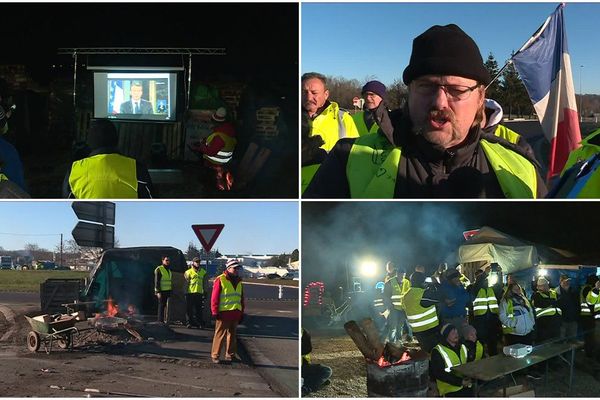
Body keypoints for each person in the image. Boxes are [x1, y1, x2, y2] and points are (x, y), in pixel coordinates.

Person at [304, 24, 547, 199]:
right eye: (427, 86)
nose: (440, 102)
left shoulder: (520, 166)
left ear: (480, 98)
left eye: (457, 90)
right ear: (409, 93)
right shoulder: (348, 160)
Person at [63, 119, 153, 198]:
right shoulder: (136, 168)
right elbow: (151, 203)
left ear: (89, 141)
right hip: (129, 217)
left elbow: (67, 205)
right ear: (116, 139)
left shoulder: (74, 169)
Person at [301, 72, 358, 193]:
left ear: (326, 94)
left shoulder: (343, 119)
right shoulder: (286, 118)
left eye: (314, 93)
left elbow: (356, 159)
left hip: (328, 191)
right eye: (304, 92)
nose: (308, 97)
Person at [191, 107, 237, 191]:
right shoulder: (229, 131)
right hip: (226, 163)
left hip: (214, 164)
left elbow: (211, 152)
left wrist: (200, 147)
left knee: (207, 182)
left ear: (217, 122)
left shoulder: (219, 136)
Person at [211, 259, 244, 364]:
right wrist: (215, 311)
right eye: (234, 268)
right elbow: (214, 297)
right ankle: (215, 355)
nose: (236, 270)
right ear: (228, 268)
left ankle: (230, 355)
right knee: (220, 334)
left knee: (232, 335)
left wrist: (242, 311)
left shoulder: (239, 281)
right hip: (223, 313)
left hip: (235, 312)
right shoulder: (220, 279)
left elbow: (241, 298)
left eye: (237, 268)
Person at [430, 324, 473, 397]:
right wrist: (460, 382)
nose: (456, 334)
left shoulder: (463, 347)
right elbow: (439, 373)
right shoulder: (437, 351)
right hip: (449, 390)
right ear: (446, 336)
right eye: (453, 333)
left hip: (466, 386)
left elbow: (469, 364)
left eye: (456, 332)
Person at [403, 271, 440, 353]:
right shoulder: (422, 294)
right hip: (430, 329)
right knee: (435, 352)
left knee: (425, 353)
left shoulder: (406, 295)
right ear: (422, 282)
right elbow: (440, 297)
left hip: (416, 331)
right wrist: (435, 284)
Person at [469, 266, 501, 356]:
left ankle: (494, 360)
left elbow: (499, 286)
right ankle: (481, 360)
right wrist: (484, 274)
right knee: (481, 343)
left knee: (493, 343)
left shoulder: (491, 289)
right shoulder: (473, 288)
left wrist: (499, 273)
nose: (483, 279)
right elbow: (477, 285)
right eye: (479, 277)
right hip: (480, 320)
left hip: (492, 319)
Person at [382, 262, 412, 343]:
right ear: (397, 274)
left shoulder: (407, 282)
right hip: (394, 309)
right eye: (400, 275)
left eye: (403, 275)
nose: (402, 277)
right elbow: (385, 296)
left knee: (400, 327)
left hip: (403, 309)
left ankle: (399, 342)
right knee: (393, 327)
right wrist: (389, 307)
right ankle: (392, 343)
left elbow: (409, 294)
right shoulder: (390, 282)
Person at [438, 269, 470, 336]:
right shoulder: (445, 287)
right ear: (450, 279)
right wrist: (460, 297)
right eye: (456, 277)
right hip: (451, 320)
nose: (458, 279)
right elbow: (453, 297)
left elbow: (467, 298)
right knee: (452, 340)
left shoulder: (459, 286)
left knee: (462, 340)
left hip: (461, 318)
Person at [301, 328, 332, 395]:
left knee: (323, 379)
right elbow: (307, 350)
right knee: (326, 370)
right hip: (301, 368)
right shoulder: (303, 332)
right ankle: (306, 388)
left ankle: (309, 384)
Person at [531, 277, 562, 343]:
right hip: (543, 324)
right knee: (544, 343)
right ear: (538, 287)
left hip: (556, 322)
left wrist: (550, 302)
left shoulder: (553, 292)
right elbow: (542, 303)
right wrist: (553, 301)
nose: (545, 286)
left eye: (546, 285)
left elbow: (560, 302)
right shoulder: (536, 295)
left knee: (556, 342)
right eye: (543, 285)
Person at [184, 257, 209, 329]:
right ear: (193, 263)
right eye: (196, 262)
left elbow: (205, 283)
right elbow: (186, 283)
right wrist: (185, 292)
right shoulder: (188, 272)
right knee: (189, 309)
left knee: (199, 310)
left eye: (199, 262)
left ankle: (199, 323)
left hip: (199, 293)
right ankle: (189, 323)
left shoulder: (203, 272)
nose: (198, 263)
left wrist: (205, 292)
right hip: (190, 293)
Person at [581, 275, 600, 359]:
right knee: (590, 337)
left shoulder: (588, 288)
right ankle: (589, 354)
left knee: (591, 337)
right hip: (588, 317)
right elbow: (590, 302)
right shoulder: (587, 289)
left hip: (589, 317)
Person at [555, 274, 580, 341]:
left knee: (573, 340)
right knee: (562, 340)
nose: (567, 282)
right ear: (561, 282)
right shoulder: (555, 292)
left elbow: (577, 305)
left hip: (573, 320)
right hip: (562, 321)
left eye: (568, 281)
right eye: (565, 281)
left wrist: (577, 316)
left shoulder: (574, 291)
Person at [154, 256, 172, 324]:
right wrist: (158, 291)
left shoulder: (169, 270)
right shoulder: (159, 269)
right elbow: (157, 281)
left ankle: (164, 320)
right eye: (166, 260)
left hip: (167, 291)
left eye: (168, 260)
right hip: (161, 291)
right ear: (162, 261)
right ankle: (160, 321)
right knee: (161, 306)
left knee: (165, 306)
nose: (168, 261)